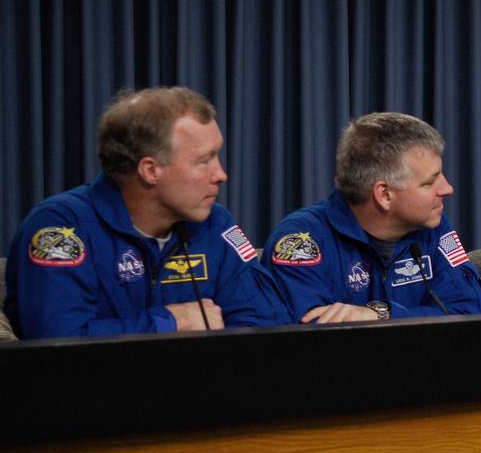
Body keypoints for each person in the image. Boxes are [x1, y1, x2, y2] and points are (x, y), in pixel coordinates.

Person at [4, 86, 285, 338]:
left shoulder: (217, 223)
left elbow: (266, 321)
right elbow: (58, 340)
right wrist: (169, 321)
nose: (221, 174)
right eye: (204, 161)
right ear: (150, 170)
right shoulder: (61, 228)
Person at [264, 112, 481, 323]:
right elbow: (306, 339)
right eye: (429, 182)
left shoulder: (435, 227)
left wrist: (381, 313)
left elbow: (473, 313)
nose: (448, 188)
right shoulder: (300, 242)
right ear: (384, 195)